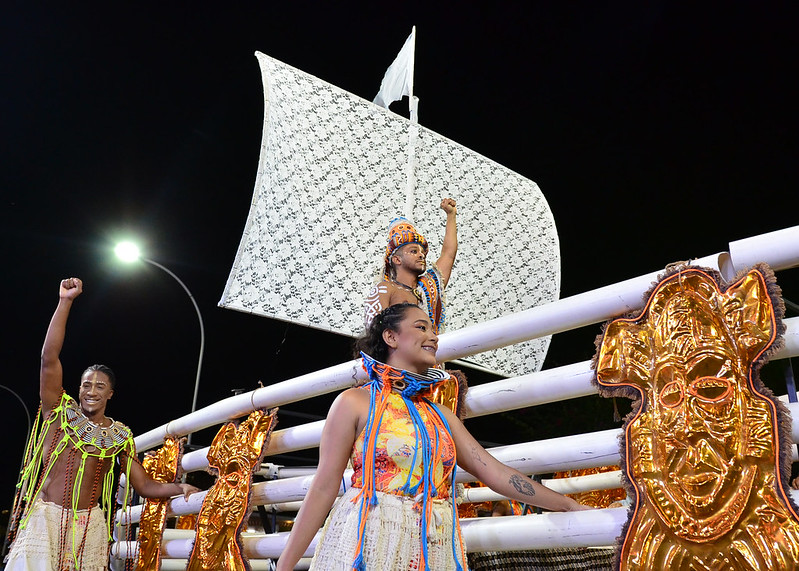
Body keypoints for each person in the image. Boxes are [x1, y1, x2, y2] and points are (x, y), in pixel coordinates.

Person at [276, 303, 589, 571]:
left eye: (434, 329)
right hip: (369, 541)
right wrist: (286, 565)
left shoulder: (442, 416)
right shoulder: (354, 402)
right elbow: (324, 485)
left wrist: (565, 504)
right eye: (421, 327)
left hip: (433, 546)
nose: (433, 336)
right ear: (391, 337)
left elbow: (494, 473)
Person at [5, 278, 200, 570]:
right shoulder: (57, 412)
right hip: (45, 521)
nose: (91, 391)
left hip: (89, 527)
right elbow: (49, 358)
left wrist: (180, 489)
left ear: (110, 393)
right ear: (79, 388)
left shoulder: (120, 436)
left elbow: (144, 485)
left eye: (99, 386)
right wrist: (65, 301)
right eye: (86, 385)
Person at [363, 198, 457, 335]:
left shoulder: (429, 286)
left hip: (427, 353)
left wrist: (451, 215)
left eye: (422, 252)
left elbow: (448, 254)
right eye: (414, 251)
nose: (421, 255)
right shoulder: (385, 288)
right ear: (396, 259)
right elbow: (375, 333)